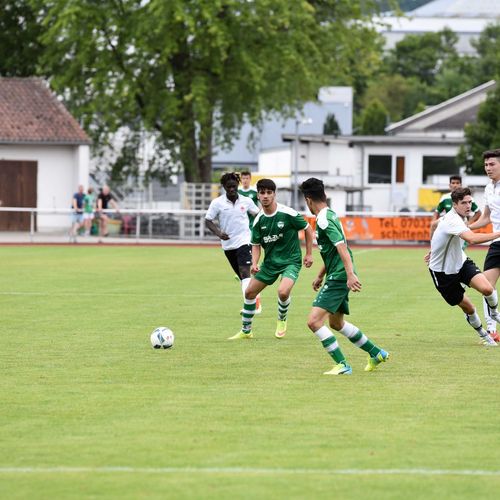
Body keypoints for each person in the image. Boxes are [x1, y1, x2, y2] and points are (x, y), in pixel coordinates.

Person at [300, 178, 389, 375]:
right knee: (336, 323)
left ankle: (342, 364)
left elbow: (342, 248)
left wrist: (349, 275)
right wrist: (320, 274)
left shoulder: (323, 219)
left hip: (340, 277)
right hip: (336, 274)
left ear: (308, 200)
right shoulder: (330, 214)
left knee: (314, 322)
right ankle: (376, 353)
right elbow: (332, 251)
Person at [229, 178, 314, 340]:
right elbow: (255, 245)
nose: (265, 196)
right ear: (258, 196)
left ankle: (282, 319)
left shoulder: (287, 213)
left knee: (283, 291)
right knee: (249, 292)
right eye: (262, 193)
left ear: (274, 194)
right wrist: (254, 263)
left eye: (269, 192)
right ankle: (246, 331)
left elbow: (308, 229)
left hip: (291, 261)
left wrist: (309, 254)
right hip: (270, 264)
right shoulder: (258, 221)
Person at [428, 186, 500, 346]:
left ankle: (494, 313)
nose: (468, 206)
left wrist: (432, 249)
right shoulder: (452, 220)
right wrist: (498, 233)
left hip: (461, 263)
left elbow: (433, 225)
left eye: (470, 202)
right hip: (443, 273)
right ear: (454, 205)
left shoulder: (459, 218)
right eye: (464, 203)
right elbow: (472, 239)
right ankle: (484, 335)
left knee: (488, 288)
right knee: (469, 308)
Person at [205, 173, 262, 311]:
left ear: (238, 186)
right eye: (228, 187)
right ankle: (256, 298)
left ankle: (250, 306)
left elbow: (259, 214)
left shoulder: (246, 201)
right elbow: (208, 220)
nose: (231, 189)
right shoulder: (217, 203)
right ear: (224, 187)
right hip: (228, 245)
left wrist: (260, 232)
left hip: (244, 241)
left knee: (244, 273)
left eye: (234, 186)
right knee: (243, 278)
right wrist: (219, 233)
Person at [467, 149, 500, 341]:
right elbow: (486, 218)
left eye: (492, 164)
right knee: (486, 286)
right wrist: (464, 229)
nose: (488, 168)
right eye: (486, 165)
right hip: (496, 242)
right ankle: (492, 330)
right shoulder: (489, 188)